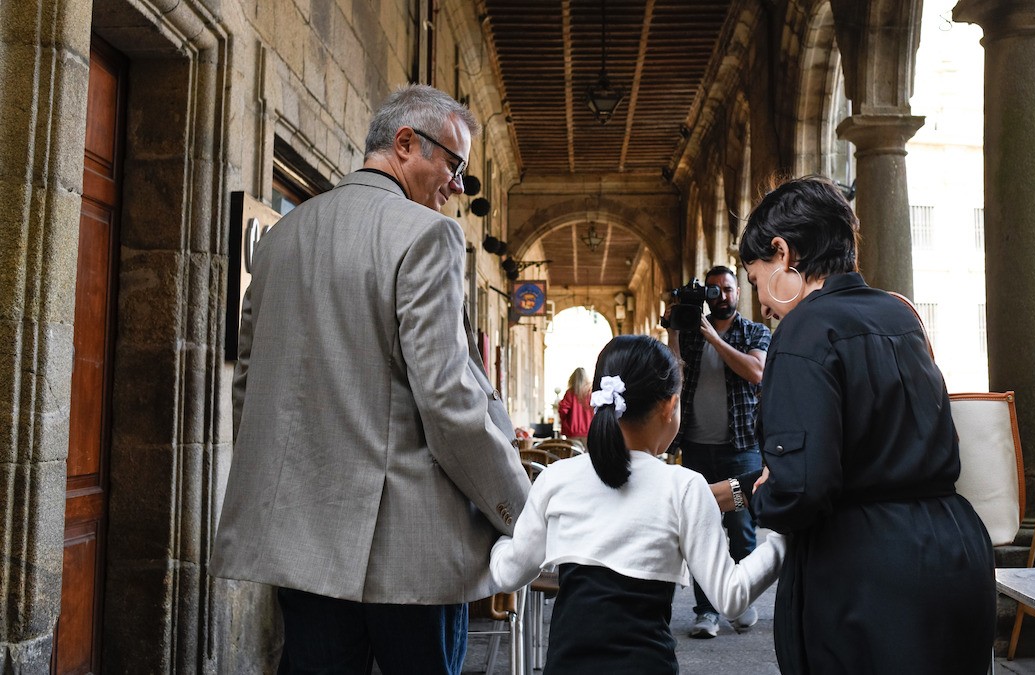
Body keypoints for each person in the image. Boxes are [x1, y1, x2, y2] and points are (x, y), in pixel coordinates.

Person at [209, 84, 530, 674]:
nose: (457, 186)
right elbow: (450, 403)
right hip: (410, 556)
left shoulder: (281, 239)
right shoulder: (426, 236)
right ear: (406, 143)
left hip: (302, 546)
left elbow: (251, 387)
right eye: (454, 165)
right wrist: (518, 511)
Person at [720, 175, 996, 674]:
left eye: (756, 280)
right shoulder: (900, 313)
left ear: (783, 253)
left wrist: (756, 497)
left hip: (867, 575)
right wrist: (738, 490)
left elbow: (801, 487)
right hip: (955, 554)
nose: (759, 302)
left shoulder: (804, 330)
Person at [489, 335, 784, 674]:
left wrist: (496, 542)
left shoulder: (556, 478)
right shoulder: (685, 486)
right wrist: (784, 539)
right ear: (669, 406)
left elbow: (509, 573)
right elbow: (731, 597)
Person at [668, 265, 771, 638]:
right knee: (700, 530)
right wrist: (675, 331)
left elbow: (756, 372)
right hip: (696, 447)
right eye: (713, 291)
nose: (721, 296)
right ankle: (707, 611)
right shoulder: (693, 334)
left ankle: (739, 600)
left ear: (738, 292)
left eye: (727, 289)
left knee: (742, 530)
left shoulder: (754, 331)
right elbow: (673, 373)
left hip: (741, 449)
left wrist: (713, 337)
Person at [557, 367, 594, 448]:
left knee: (574, 457)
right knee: (589, 457)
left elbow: (563, 411)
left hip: (572, 432)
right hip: (589, 431)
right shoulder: (591, 393)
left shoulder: (570, 393)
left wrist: (564, 420)